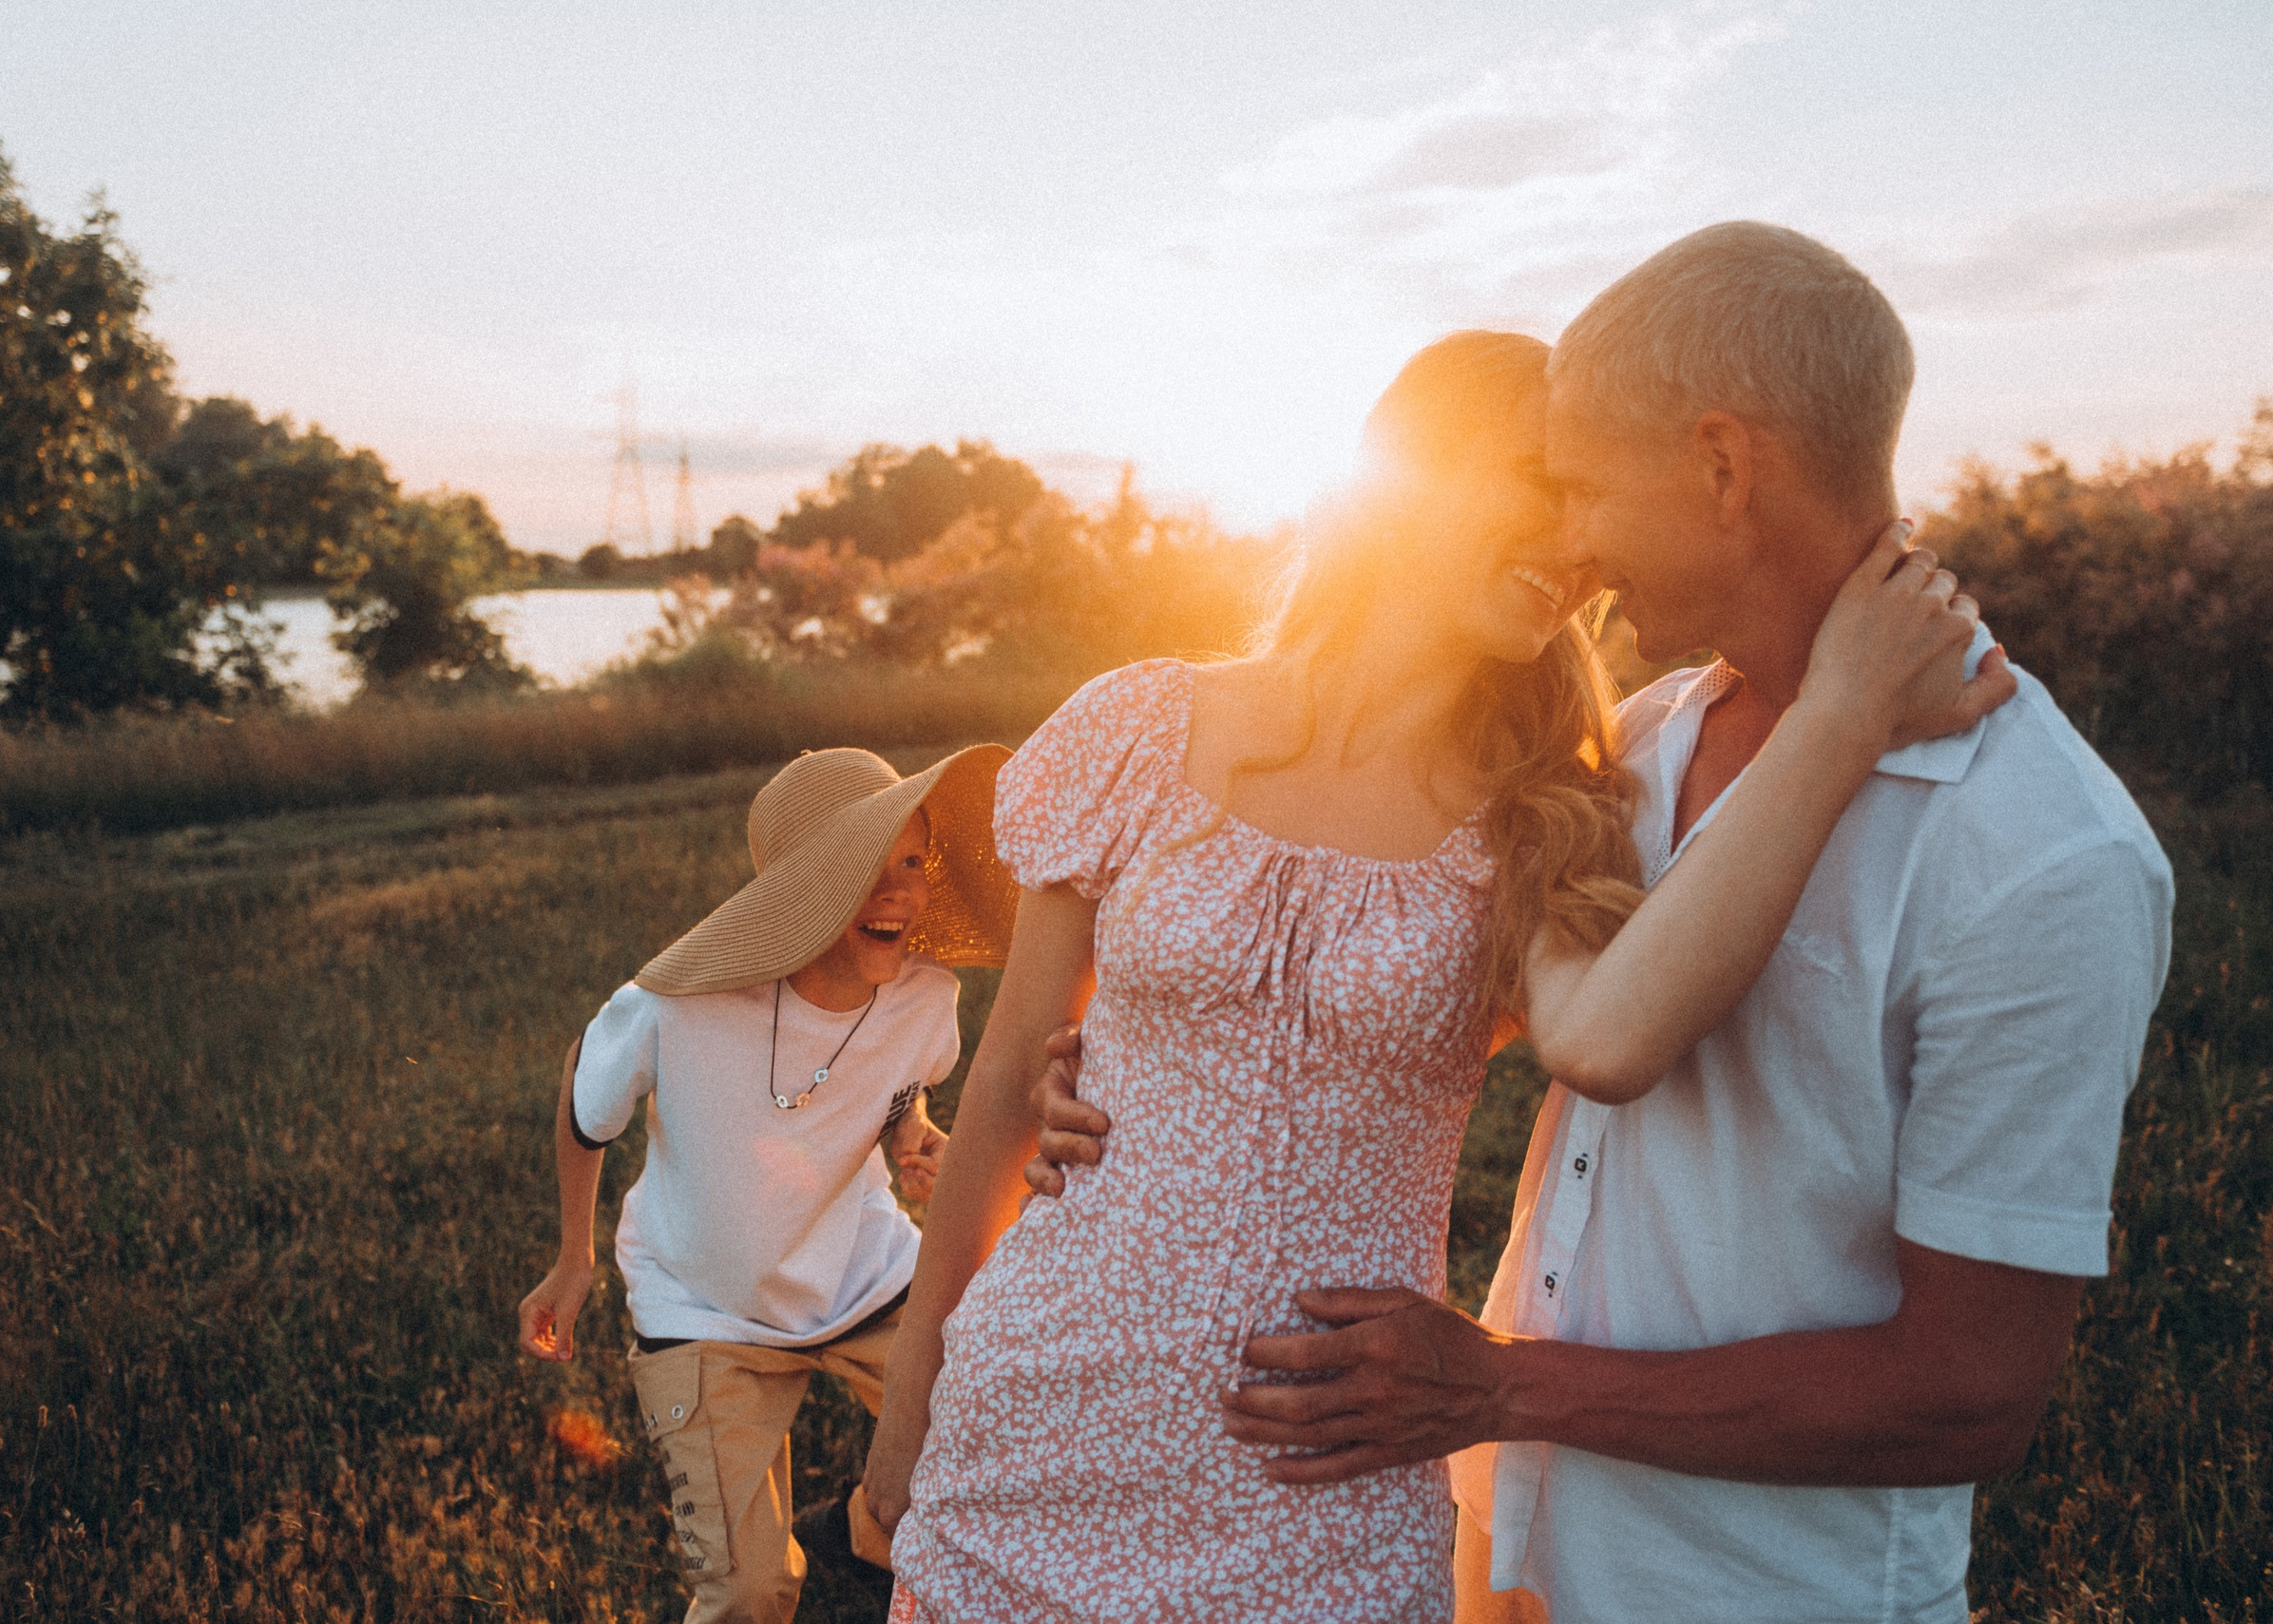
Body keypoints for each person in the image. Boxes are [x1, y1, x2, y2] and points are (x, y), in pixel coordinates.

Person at [1038, 224, 2177, 1624]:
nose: (1567, 542)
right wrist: (1133, 1071)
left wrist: (1506, 1383)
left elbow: (1965, 1398)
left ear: (1718, 467)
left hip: (1760, 1593)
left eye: (1580, 487)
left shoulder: (2044, 856)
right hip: (1503, 1552)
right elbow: (1440, 998)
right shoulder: (1630, 752)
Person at [859, 328, 2011, 1622]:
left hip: (1319, 1482)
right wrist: (915, 1402)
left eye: (1591, 512)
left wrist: (1841, 717)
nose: (1578, 548)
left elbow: (1613, 1039)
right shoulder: (1136, 725)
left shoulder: (1541, 810)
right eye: (1543, 486)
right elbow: (1015, 1075)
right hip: (1030, 1432)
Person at [515, 744, 1018, 1624]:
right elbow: (582, 1091)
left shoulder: (925, 996)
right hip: (703, 1311)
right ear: (800, 890)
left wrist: (913, 1130)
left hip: (868, 1279)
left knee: (989, 1455)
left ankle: (864, 1534)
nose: (900, 891)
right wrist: (572, 1256)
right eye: (869, 868)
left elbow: (902, 1084)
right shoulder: (673, 1008)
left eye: (913, 861)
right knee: (750, 1592)